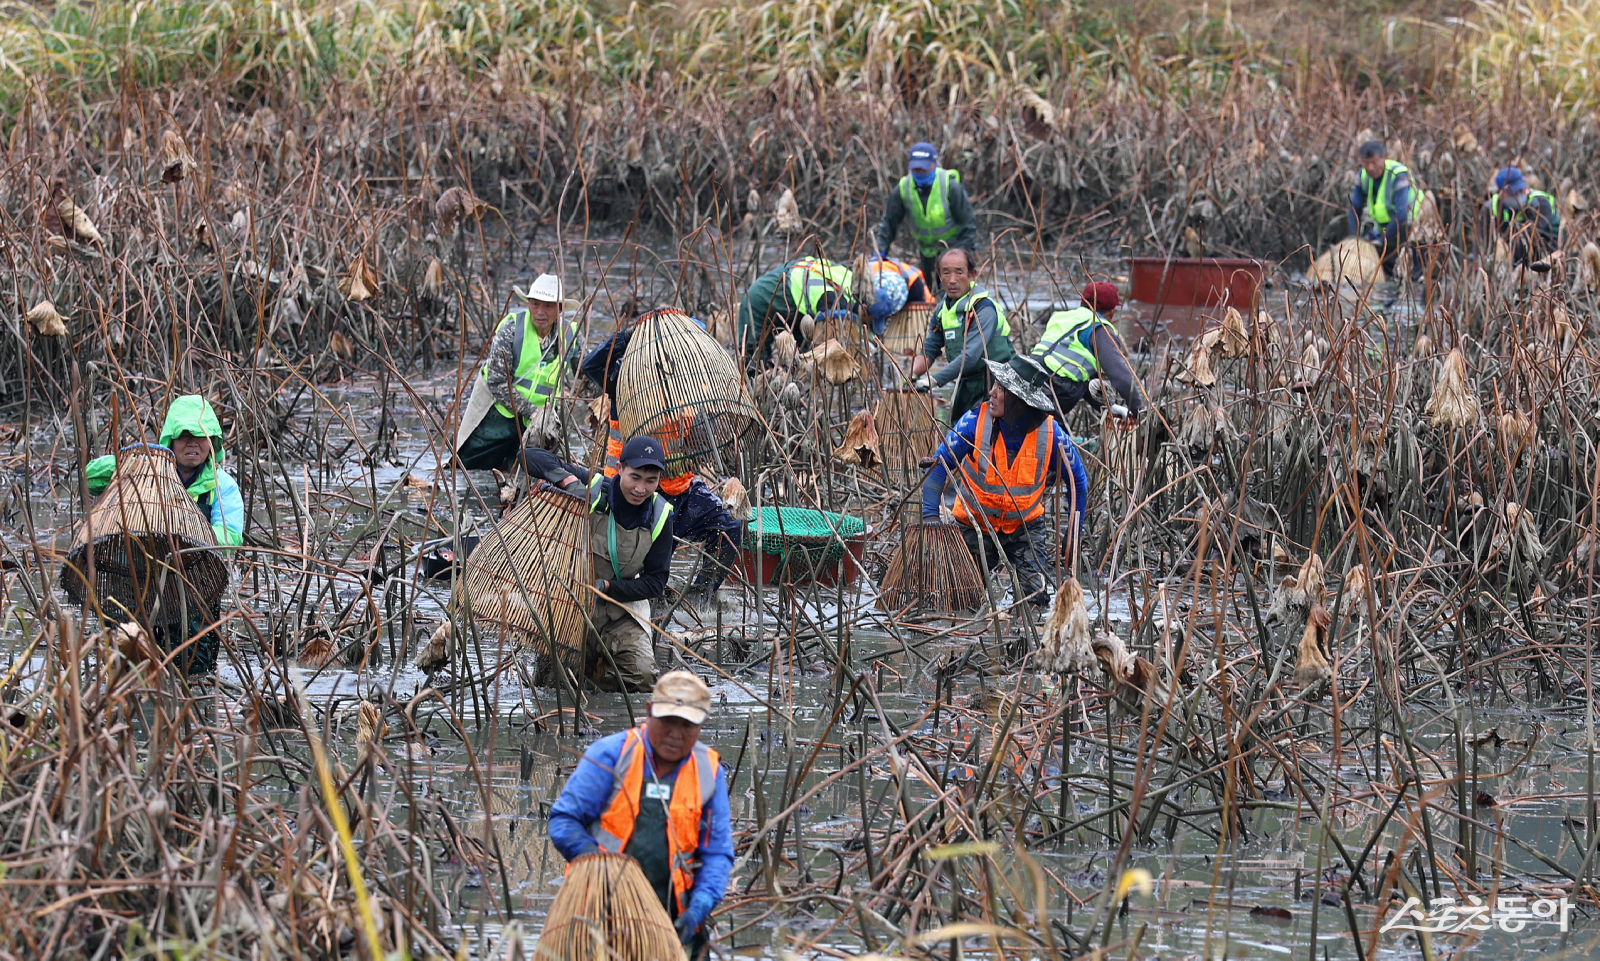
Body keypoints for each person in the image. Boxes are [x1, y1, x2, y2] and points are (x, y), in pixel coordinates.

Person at [523, 313, 742, 605]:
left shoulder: (692, 387)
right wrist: (630, 334)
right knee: (633, 564)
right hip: (630, 491)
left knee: (728, 526)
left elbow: (705, 438)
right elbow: (590, 366)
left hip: (679, 490)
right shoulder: (627, 379)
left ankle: (698, 599)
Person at [548, 670, 733, 959]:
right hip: (599, 911)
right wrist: (596, 861)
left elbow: (717, 853)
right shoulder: (612, 754)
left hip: (672, 921)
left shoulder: (708, 772)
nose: (675, 733)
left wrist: (701, 905)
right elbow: (564, 820)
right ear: (649, 712)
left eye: (687, 725)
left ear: (702, 724)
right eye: (667, 721)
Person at [85, 395, 244, 673]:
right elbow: (90, 479)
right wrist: (131, 460)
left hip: (192, 591)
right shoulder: (147, 472)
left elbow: (230, 538)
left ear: (213, 442)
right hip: (137, 584)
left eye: (200, 435)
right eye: (183, 435)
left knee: (194, 667)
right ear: (170, 440)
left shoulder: (222, 486)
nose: (192, 443)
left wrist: (187, 541)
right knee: (124, 662)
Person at [923, 356, 1088, 608]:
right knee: (961, 601)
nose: (991, 392)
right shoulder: (974, 422)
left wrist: (1073, 533)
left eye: (1000, 389)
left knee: (1036, 600)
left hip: (1025, 529)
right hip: (975, 526)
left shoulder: (1053, 435)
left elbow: (1078, 481)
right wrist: (930, 517)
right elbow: (938, 467)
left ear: (1018, 401)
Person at [455, 273, 583, 470]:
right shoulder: (512, 328)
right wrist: (532, 412)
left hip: (542, 426)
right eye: (535, 304)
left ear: (559, 308)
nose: (540, 311)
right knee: (468, 466)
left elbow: (586, 373)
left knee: (529, 476)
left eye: (547, 306)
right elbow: (497, 382)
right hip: (498, 415)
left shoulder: (571, 333)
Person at [912, 248, 1016, 423]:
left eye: (959, 272)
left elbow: (970, 357)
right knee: (960, 432)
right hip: (967, 384)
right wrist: (911, 375)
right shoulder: (941, 311)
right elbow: (929, 349)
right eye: (946, 273)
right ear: (939, 275)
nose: (952, 280)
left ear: (972, 274)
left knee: (989, 433)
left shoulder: (984, 309)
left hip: (996, 384)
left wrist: (934, 380)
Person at [1029, 282, 1144, 419]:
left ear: (1082, 302)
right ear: (1112, 311)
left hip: (1028, 376)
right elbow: (1121, 377)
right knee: (1053, 438)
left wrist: (1110, 407)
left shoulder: (1063, 318)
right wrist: (1140, 412)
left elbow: (1085, 380)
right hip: (1055, 390)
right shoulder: (1100, 329)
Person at [875, 142, 979, 286]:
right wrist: (880, 252)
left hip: (954, 250)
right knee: (928, 295)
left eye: (923, 169)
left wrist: (958, 255)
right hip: (926, 253)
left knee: (955, 294)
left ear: (934, 164)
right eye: (916, 169)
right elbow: (889, 223)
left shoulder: (951, 187)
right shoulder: (903, 189)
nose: (920, 172)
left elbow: (968, 225)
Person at [736, 256, 857, 366]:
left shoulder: (850, 280)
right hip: (762, 299)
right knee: (753, 360)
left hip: (795, 301)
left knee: (802, 357)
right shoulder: (837, 303)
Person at [1348, 140, 1422, 282]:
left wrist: (1382, 241)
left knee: (1412, 276)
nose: (1370, 167)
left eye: (1375, 162)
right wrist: (1354, 237)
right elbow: (1354, 207)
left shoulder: (1399, 175)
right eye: (1366, 163)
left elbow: (1402, 216)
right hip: (1386, 227)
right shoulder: (1362, 176)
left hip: (1413, 230)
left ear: (1384, 157)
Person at [1478, 166, 1560, 267]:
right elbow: (1486, 241)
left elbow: (1530, 237)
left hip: (1543, 254)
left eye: (1522, 190)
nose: (1520, 194)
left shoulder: (1540, 203)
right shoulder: (1490, 208)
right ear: (1500, 193)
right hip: (1506, 259)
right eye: (1514, 192)